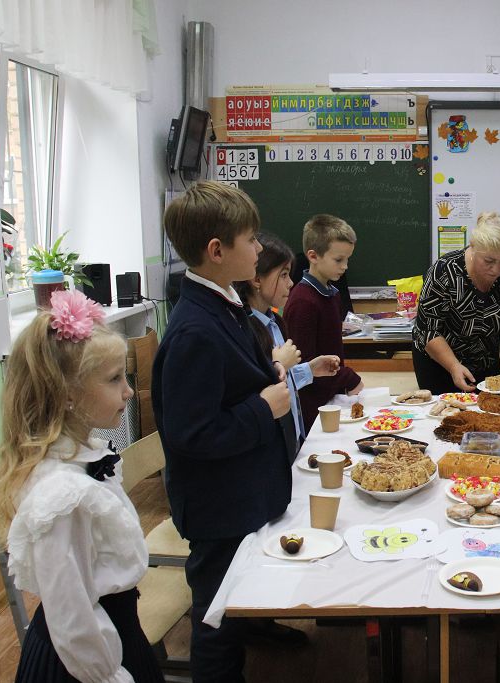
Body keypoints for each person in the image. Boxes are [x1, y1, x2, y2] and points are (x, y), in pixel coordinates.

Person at [152, 180, 293, 682]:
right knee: (217, 621)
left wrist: (267, 376)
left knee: (235, 605)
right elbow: (192, 434)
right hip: (219, 507)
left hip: (243, 494)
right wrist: (263, 408)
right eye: (250, 240)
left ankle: (258, 628)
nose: (258, 248)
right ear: (217, 251)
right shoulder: (194, 329)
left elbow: (231, 382)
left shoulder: (225, 303)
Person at [0, 289, 162, 683]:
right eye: (114, 379)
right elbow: (71, 612)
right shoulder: (62, 496)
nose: (128, 391)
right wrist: (108, 674)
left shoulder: (84, 459)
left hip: (115, 634)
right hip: (85, 661)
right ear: (68, 394)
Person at [233, 233, 341, 450]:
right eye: (283, 275)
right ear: (257, 280)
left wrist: (309, 370)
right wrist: (278, 364)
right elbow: (257, 391)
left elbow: (284, 383)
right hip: (269, 445)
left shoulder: (274, 322)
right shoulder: (243, 330)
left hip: (293, 438)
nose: (290, 283)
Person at [412, 211, 500, 394]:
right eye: (489, 261)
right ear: (473, 248)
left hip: (485, 361)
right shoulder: (444, 271)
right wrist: (454, 366)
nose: (496, 270)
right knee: (445, 409)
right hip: (438, 363)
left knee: (485, 409)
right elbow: (428, 330)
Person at [283, 214, 363, 428]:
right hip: (313, 408)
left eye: (347, 259)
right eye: (339, 260)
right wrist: (347, 378)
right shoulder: (303, 302)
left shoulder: (331, 294)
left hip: (331, 399)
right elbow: (304, 365)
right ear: (313, 256)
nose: (345, 266)